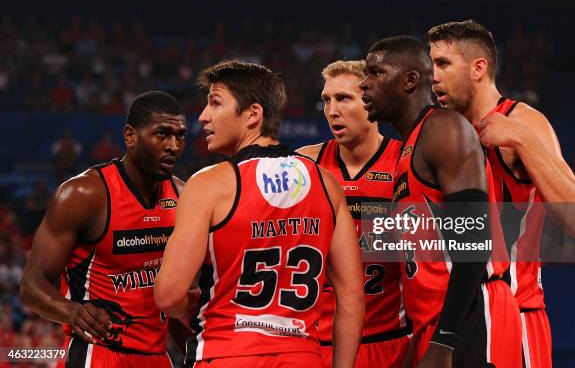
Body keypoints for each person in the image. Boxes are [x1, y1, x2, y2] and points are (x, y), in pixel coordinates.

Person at [155, 61, 364, 368]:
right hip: (302, 357)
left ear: (253, 114)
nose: (203, 116)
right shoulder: (326, 182)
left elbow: (168, 295)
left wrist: (203, 308)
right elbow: (351, 295)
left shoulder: (208, 184)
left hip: (226, 352)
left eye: (215, 103)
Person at [427, 19, 575, 368]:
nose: (433, 76)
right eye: (431, 65)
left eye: (443, 64)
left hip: (515, 313)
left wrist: (522, 139)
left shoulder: (523, 121)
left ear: (478, 68)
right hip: (458, 316)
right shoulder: (444, 132)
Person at [360, 35, 521, 368]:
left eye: (375, 72)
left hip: (470, 314)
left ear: (409, 80)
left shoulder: (443, 129)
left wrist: (444, 340)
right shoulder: (409, 147)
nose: (364, 83)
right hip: (434, 322)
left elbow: (475, 242)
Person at [20, 91, 188, 367]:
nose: (173, 145)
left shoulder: (182, 196)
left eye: (180, 135)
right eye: (162, 134)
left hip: (158, 356)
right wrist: (71, 311)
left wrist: (194, 355)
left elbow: (176, 302)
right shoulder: (83, 195)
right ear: (130, 136)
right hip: (97, 354)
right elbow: (31, 284)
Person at [297, 60, 409, 367]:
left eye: (343, 98)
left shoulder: (406, 161)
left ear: (371, 100)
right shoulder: (305, 165)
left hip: (392, 341)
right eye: (326, 100)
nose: (332, 110)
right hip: (316, 343)